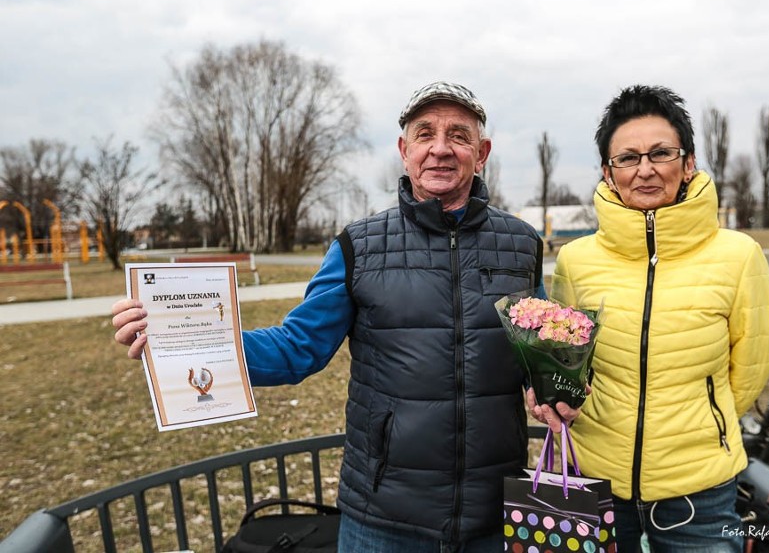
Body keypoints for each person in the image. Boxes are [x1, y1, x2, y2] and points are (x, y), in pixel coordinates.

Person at [112, 80, 544, 552]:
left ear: (481, 153)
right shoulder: (359, 245)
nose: (440, 149)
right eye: (425, 134)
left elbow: (538, 352)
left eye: (458, 136)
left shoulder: (521, 244)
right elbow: (299, 348)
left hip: (495, 516)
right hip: (382, 517)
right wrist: (181, 339)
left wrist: (552, 386)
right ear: (404, 151)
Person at [544, 85, 769, 552]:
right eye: (627, 158)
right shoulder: (576, 259)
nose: (645, 170)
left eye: (661, 153)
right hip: (595, 478)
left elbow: (749, 368)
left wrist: (697, 429)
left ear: (688, 162)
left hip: (700, 490)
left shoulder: (739, 256)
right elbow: (567, 361)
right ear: (609, 174)